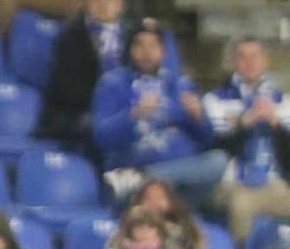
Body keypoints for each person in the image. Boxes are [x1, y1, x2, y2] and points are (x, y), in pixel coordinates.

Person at [201, 38, 290, 245]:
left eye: (255, 56)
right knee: (241, 204)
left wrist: (276, 125)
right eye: (242, 57)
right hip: (231, 185)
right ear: (233, 63)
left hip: (274, 187)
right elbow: (215, 152)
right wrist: (245, 124)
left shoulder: (284, 102)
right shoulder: (215, 100)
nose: (250, 62)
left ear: (265, 61)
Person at [92, 23, 229, 207]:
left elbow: (207, 139)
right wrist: (134, 115)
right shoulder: (113, 83)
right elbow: (101, 137)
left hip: (180, 181)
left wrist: (199, 118)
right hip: (134, 173)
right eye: (140, 45)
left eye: (153, 45)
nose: (147, 52)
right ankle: (142, 182)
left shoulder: (181, 85)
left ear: (164, 51)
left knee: (218, 161)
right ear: (131, 50)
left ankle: (141, 179)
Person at [39, 0, 132, 149]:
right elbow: (66, 89)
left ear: (121, 3)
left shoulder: (136, 38)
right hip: (79, 113)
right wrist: (110, 104)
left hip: (127, 111)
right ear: (85, 2)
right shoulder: (69, 39)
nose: (102, 4)